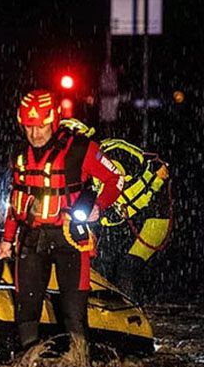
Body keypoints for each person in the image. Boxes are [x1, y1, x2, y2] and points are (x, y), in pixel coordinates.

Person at [0, 89, 123, 366]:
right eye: (29, 126)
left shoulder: (81, 148)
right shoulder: (18, 153)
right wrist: (6, 240)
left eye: (41, 125)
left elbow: (115, 178)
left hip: (70, 239)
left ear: (54, 121)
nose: (35, 133)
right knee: (26, 308)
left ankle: (80, 362)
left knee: (73, 311)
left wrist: (98, 206)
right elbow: (16, 199)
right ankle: (29, 365)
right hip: (31, 238)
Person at [60, 119, 173, 296]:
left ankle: (130, 313)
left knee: (126, 268)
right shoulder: (77, 166)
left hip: (153, 218)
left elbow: (116, 186)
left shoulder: (112, 153)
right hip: (124, 222)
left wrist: (98, 211)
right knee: (100, 266)